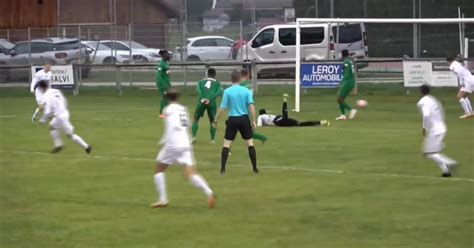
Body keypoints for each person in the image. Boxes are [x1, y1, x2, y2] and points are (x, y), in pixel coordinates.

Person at [151, 89, 216, 208]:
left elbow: (172, 126)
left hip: (173, 144)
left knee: (159, 170)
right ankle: (209, 192)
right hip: (186, 143)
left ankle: (163, 199)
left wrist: (164, 140)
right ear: (178, 98)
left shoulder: (168, 109)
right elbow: (188, 124)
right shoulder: (183, 109)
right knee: (191, 173)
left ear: (167, 99)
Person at [214, 70, 259, 174]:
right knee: (250, 143)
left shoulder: (227, 91)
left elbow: (222, 108)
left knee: (226, 144)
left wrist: (216, 120)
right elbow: (251, 106)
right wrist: (254, 120)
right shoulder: (246, 91)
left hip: (232, 119)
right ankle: (255, 168)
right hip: (244, 119)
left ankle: (222, 169)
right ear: (239, 79)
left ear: (231, 79)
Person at [37, 80, 92, 154]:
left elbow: (48, 112)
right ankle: (58, 145)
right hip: (64, 113)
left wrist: (43, 120)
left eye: (39, 88)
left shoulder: (46, 96)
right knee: (52, 126)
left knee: (70, 135)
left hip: (60, 117)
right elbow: (65, 100)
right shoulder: (56, 91)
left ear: (42, 87)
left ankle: (87, 146)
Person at [417, 84, 457, 177]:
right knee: (435, 153)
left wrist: (424, 128)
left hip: (434, 131)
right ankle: (446, 172)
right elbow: (441, 112)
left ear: (421, 92)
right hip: (442, 127)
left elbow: (426, 115)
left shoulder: (422, 102)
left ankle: (451, 163)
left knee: (429, 153)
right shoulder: (434, 100)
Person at [258, 94, 330, 127]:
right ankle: (322, 122)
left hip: (278, 121)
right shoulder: (268, 115)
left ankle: (285, 101)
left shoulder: (260, 117)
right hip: (278, 118)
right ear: (265, 112)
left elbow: (259, 125)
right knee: (300, 124)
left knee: (286, 117)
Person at [191, 68, 223, 144]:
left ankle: (194, 137)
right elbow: (218, 92)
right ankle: (212, 140)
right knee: (213, 121)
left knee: (196, 119)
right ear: (215, 75)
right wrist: (209, 99)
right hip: (211, 103)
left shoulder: (201, 82)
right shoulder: (217, 83)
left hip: (201, 102)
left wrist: (203, 98)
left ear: (207, 74)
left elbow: (198, 90)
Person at [239, 68, 268, 143]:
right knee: (248, 132)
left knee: (231, 133)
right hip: (246, 111)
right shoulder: (248, 85)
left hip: (241, 112)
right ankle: (263, 138)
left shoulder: (241, 85)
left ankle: (227, 150)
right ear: (247, 75)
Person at [336, 49, 358, 120]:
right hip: (350, 82)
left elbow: (347, 74)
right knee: (341, 99)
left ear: (342, 55)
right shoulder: (350, 61)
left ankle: (352, 109)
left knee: (339, 99)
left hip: (347, 82)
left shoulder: (346, 62)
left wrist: (341, 82)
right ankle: (343, 115)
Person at [156, 50, 171, 115]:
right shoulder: (161, 64)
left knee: (168, 97)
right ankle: (161, 112)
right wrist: (163, 85)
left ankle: (166, 111)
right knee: (165, 97)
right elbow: (159, 76)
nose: (168, 56)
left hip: (167, 83)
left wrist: (168, 83)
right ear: (163, 56)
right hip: (162, 83)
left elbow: (166, 74)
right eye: (167, 54)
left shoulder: (166, 63)